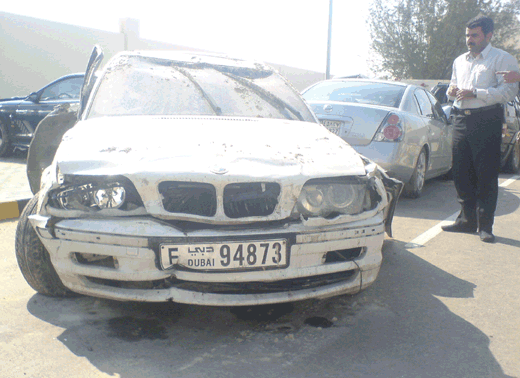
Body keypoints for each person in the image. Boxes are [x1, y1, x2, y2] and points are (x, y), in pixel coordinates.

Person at [442, 15, 519, 243]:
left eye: (475, 35)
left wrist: (476, 93)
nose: (469, 40)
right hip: (461, 120)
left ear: (488, 35)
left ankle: (485, 226)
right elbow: (451, 88)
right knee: (460, 173)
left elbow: (508, 92)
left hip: (487, 121)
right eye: (467, 35)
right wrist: (452, 91)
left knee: (485, 175)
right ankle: (466, 221)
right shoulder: (460, 61)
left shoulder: (502, 59)